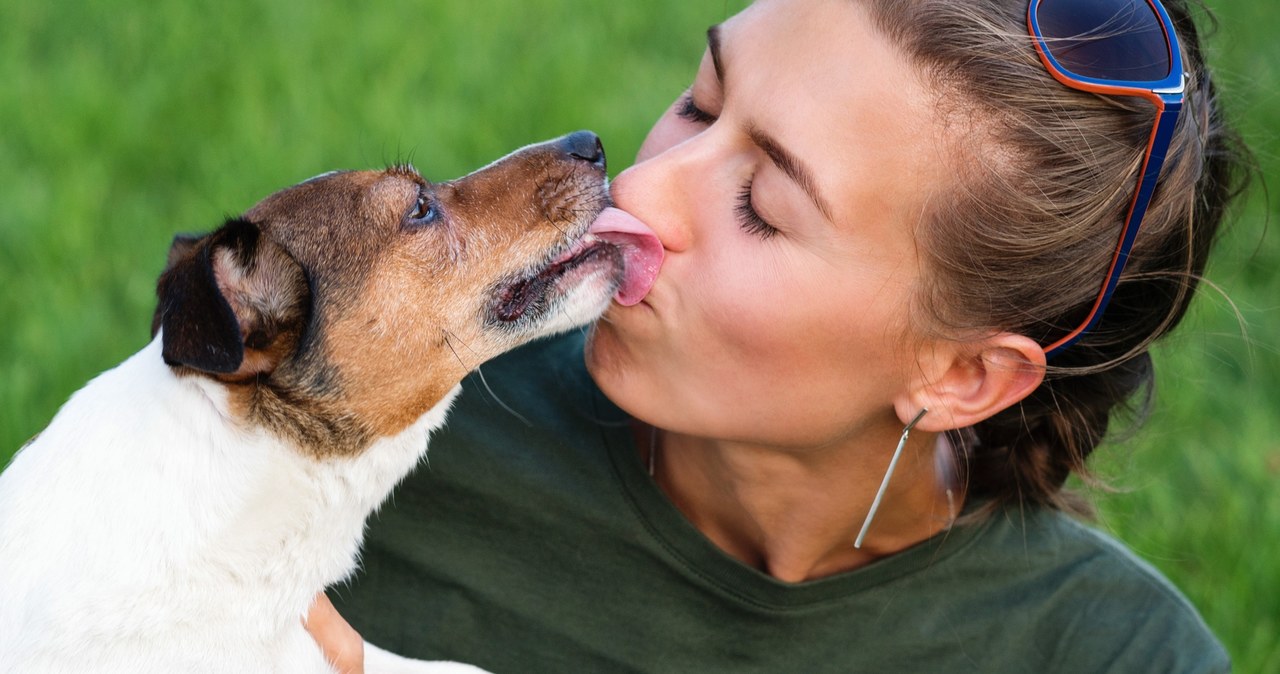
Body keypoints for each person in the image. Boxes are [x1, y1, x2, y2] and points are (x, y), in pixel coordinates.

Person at [307, 0, 1248, 671]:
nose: (635, 193)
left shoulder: (1119, 655)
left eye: (761, 208)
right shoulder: (364, 434)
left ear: (964, 374)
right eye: (702, 103)